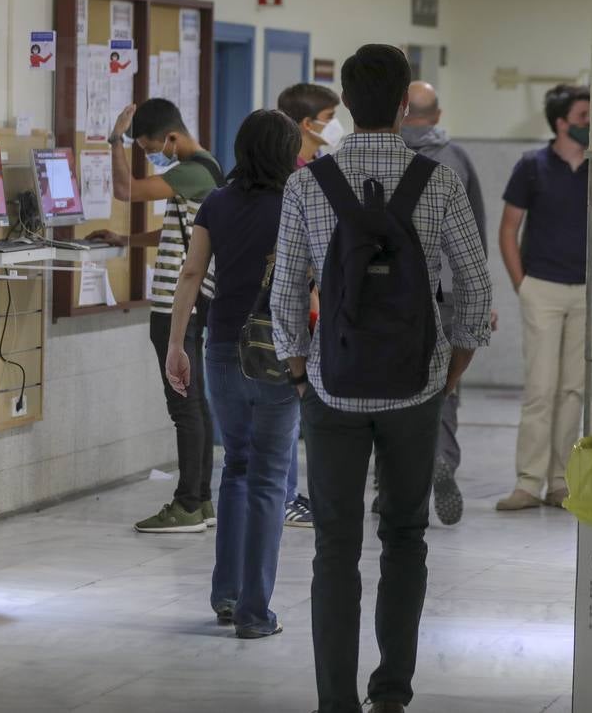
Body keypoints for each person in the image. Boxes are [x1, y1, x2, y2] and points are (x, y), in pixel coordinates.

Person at [271, 44, 492, 713]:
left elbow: (285, 292)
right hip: (414, 390)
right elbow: (476, 294)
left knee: (334, 549)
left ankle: (333, 700)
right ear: (403, 106)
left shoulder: (308, 183)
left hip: (332, 389)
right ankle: (391, 690)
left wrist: (300, 368)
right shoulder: (439, 181)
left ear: (346, 101)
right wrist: (450, 370)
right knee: (404, 536)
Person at [165, 109, 302, 638]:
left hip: (221, 348)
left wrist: (177, 344)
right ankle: (253, 612)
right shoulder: (297, 202)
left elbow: (193, 273)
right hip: (278, 350)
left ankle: (225, 595)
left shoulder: (217, 202)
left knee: (236, 470)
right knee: (270, 477)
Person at [88, 98, 224, 533]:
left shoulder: (192, 171)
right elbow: (181, 230)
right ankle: (200, 502)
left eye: (148, 148)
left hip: (174, 305)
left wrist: (115, 140)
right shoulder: (207, 168)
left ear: (170, 138)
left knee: (184, 405)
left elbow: (126, 190)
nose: (150, 156)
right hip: (192, 301)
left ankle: (187, 503)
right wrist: (128, 240)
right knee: (195, 403)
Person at [399, 80, 497, 526]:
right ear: (436, 116)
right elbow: (473, 236)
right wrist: (478, 299)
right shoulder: (455, 160)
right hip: (446, 292)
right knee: (443, 384)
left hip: (390, 293)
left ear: (402, 112)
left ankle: (394, 482)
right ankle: (441, 458)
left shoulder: (381, 156)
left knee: (390, 385)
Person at [496, 84, 590, 512]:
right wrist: (522, 285)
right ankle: (528, 482)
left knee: (573, 390)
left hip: (588, 291)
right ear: (561, 123)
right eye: (585, 117)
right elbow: (508, 229)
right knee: (541, 388)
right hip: (543, 288)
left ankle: (560, 483)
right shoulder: (532, 166)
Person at [274, 82, 343, 528]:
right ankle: (284, 496)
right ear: (306, 123)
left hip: (317, 301)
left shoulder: (320, 168)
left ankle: (293, 493)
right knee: (285, 408)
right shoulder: (292, 177)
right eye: (330, 116)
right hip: (294, 303)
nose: (336, 126)